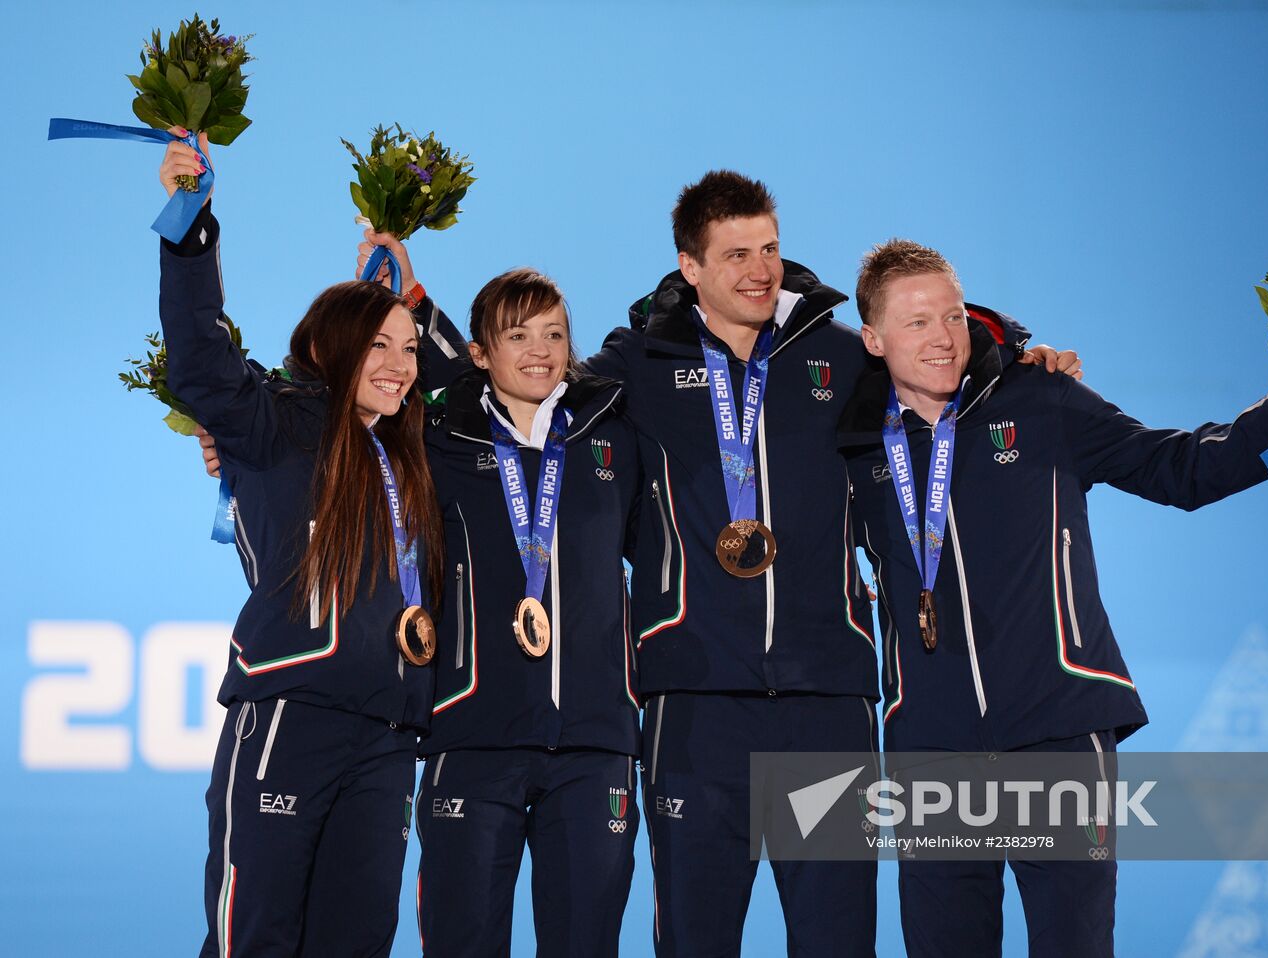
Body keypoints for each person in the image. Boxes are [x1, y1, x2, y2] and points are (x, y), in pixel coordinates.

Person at [350, 170, 1073, 956]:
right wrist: (422, 316)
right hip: (693, 706)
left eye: (768, 248)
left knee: (836, 939)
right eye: (735, 255)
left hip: (824, 704)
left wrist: (1021, 357)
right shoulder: (637, 364)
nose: (759, 270)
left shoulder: (837, 352)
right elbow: (527, 390)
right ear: (690, 267)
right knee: (695, 939)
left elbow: (932, 357)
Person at [836, 238, 1268, 958]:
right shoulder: (855, 449)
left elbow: (1181, 468)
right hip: (932, 746)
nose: (942, 338)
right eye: (916, 323)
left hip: (1058, 728)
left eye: (951, 315)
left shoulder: (1042, 398)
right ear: (873, 338)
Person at [157, 132, 441, 958]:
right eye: (378, 346)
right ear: (326, 350)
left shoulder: (416, 455)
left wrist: (413, 296)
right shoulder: (273, 422)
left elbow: (483, 394)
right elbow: (203, 360)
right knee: (257, 940)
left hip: (389, 738)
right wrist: (190, 221)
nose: (398, 367)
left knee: (355, 943)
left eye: (409, 351)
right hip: (290, 712)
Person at [413, 268, 642, 957]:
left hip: (593, 743)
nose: (540, 350)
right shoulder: (438, 442)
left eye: (554, 333)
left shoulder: (615, 437)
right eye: (517, 335)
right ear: (480, 353)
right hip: (472, 735)